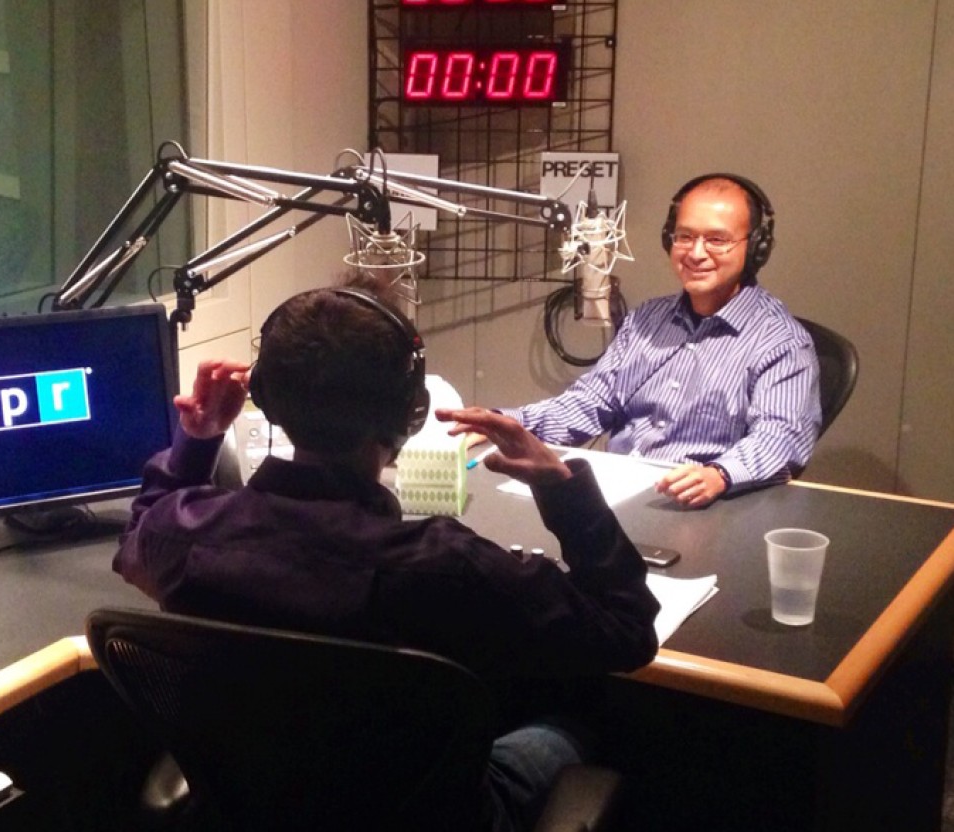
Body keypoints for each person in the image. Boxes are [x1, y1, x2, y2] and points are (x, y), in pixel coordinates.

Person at [114, 286, 659, 832]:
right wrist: (562, 486)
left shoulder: (184, 535)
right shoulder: (447, 565)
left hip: (258, 805)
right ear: (412, 412)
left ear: (265, 397)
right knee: (582, 712)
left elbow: (138, 538)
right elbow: (626, 631)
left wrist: (196, 440)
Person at [501, 173, 821, 508]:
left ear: (755, 247)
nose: (696, 253)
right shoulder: (648, 319)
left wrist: (719, 475)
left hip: (706, 508)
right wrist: (507, 425)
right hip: (619, 497)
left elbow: (780, 438)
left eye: (716, 240)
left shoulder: (782, 342)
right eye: (685, 237)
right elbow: (592, 401)